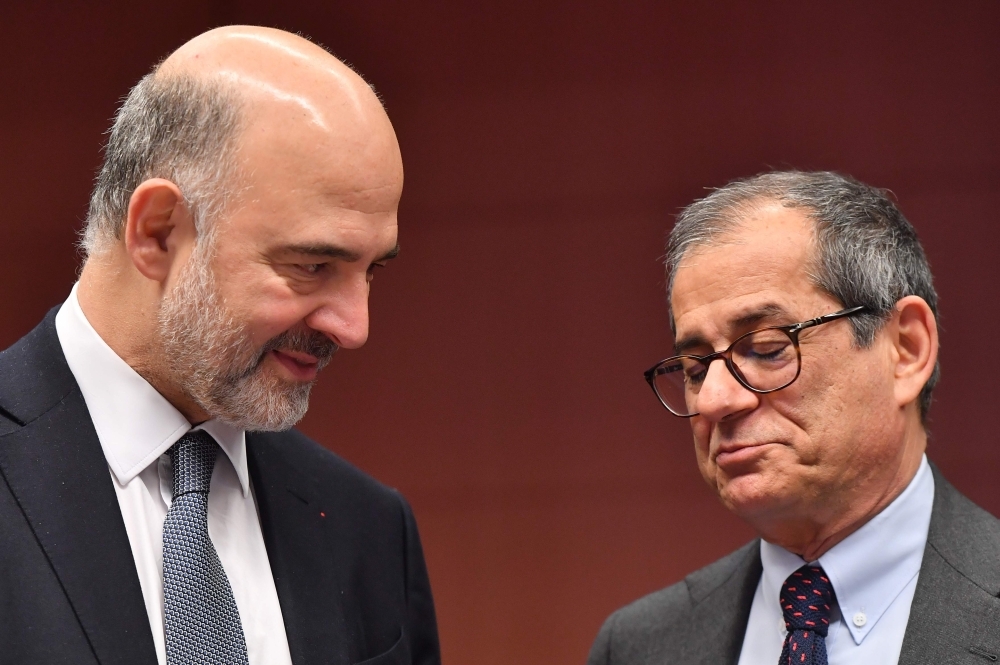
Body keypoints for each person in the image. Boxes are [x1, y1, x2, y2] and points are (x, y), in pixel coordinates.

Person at [0, 26, 439, 665]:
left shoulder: (370, 533)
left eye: (371, 272)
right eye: (312, 266)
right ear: (156, 233)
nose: (354, 326)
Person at [588, 171, 1000, 665]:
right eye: (696, 368)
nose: (716, 399)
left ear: (906, 350)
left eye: (766, 348)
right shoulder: (639, 646)